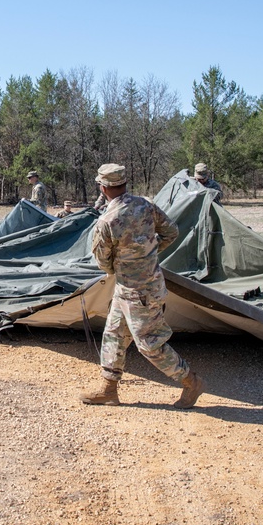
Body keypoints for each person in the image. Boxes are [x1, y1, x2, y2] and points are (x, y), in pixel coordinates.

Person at [82, 163, 205, 409]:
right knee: (114, 334)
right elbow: (171, 231)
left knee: (149, 344)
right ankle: (109, 389)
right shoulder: (145, 205)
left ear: (103, 188)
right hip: (138, 288)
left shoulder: (107, 221)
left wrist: (131, 261)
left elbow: (104, 263)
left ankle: (191, 382)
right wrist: (148, 253)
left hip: (139, 293)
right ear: (124, 183)